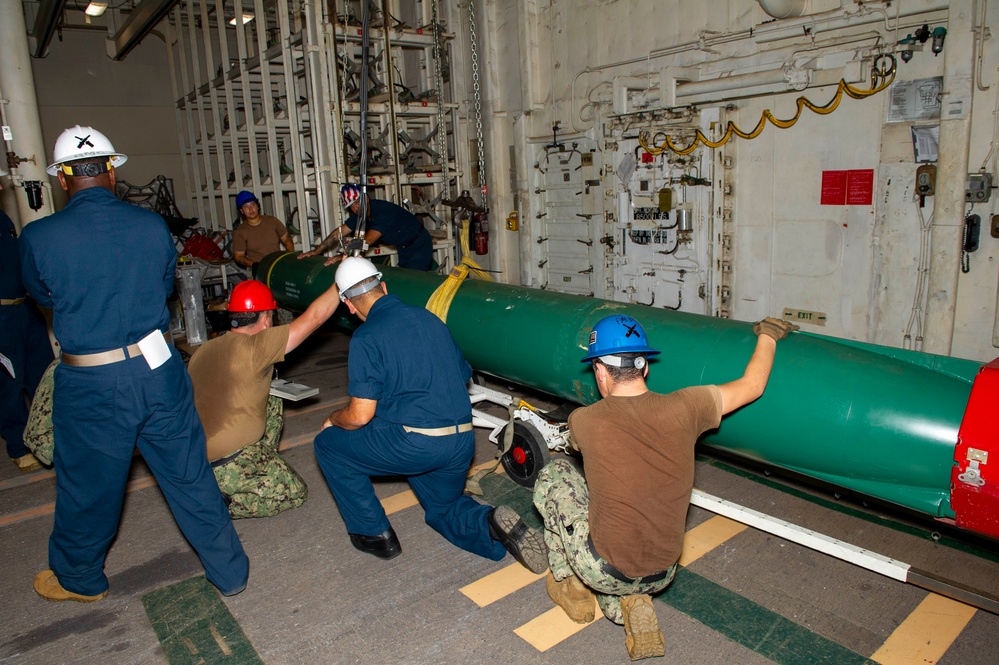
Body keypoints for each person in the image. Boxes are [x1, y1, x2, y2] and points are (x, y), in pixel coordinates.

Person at [19, 125, 247, 602]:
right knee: (188, 474)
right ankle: (230, 571)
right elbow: (165, 288)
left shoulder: (40, 235)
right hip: (157, 369)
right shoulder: (152, 226)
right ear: (111, 172)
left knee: (89, 485)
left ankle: (79, 578)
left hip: (93, 379)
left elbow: (42, 296)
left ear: (63, 179)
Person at [533, 314, 797, 661]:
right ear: (644, 368)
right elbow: (752, 386)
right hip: (664, 571)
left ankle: (572, 587)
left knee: (555, 478)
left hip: (601, 567)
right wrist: (769, 335)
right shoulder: (688, 406)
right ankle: (630, 602)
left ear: (599, 370)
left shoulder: (585, 420)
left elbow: (580, 448)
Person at [313, 256, 546, 571]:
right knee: (443, 509)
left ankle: (374, 535)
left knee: (328, 446)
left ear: (349, 306)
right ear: (383, 286)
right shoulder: (429, 319)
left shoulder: (367, 337)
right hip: (461, 441)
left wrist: (332, 420)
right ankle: (491, 524)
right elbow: (461, 375)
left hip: (415, 444)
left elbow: (359, 416)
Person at [186, 278, 342, 518]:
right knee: (294, 491)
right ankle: (221, 503)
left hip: (196, 458)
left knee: (272, 396)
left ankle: (255, 465)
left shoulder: (204, 350)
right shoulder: (256, 347)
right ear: (266, 318)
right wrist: (340, 281)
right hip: (228, 464)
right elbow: (315, 318)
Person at [0, 176, 54, 472]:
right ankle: (18, 446)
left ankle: (49, 436)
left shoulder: (3, 220)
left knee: (43, 375)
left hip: (25, 309)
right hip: (2, 316)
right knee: (8, 383)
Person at [299, 184, 432, 271]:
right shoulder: (360, 214)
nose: (355, 208)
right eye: (351, 205)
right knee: (406, 277)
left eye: (357, 202)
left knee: (414, 279)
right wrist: (317, 251)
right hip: (403, 246)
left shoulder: (382, 212)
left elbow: (367, 241)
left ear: (366, 199)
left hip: (418, 243)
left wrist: (343, 256)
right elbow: (339, 233)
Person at [232, 190, 295, 272]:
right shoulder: (240, 232)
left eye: (253, 204)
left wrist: (289, 257)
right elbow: (238, 256)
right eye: (246, 206)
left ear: (257, 206)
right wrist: (254, 264)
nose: (251, 209)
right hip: (257, 269)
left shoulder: (272, 221)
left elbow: (287, 240)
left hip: (276, 266)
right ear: (241, 210)